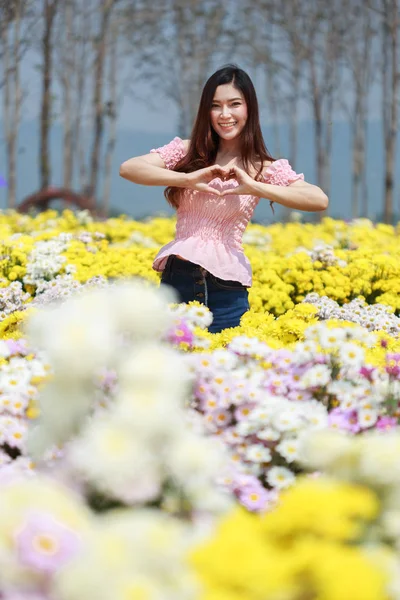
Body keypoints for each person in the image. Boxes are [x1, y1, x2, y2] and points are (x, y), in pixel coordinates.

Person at [119, 64, 328, 334]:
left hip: (227, 289)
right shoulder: (186, 151)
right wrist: (187, 179)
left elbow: (318, 199)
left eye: (234, 104)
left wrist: (254, 187)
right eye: (216, 106)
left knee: (229, 368)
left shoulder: (261, 167)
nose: (225, 114)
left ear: (249, 109)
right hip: (178, 279)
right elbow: (129, 168)